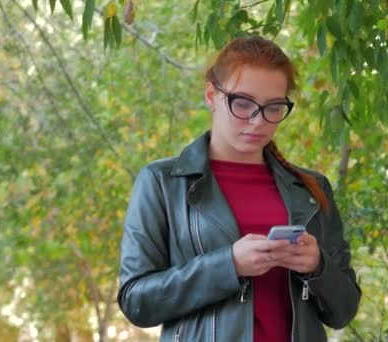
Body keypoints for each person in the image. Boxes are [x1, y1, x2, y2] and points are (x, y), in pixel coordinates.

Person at [118, 35, 361, 342]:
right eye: (243, 103)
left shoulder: (311, 188)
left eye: (273, 107)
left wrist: (317, 266)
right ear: (211, 94)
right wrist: (228, 265)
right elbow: (136, 301)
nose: (258, 121)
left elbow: (344, 310)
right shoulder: (163, 182)